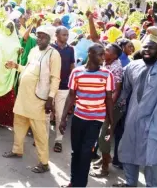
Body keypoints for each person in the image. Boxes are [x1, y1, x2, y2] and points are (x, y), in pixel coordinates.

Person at [113, 12, 157, 187]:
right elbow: (126, 90)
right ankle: (130, 183)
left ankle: (152, 186)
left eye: (151, 48)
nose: (147, 50)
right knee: (129, 150)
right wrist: (118, 108)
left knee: (152, 156)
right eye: (145, 47)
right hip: (133, 117)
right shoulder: (132, 66)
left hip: (155, 120)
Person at [3, 25, 61, 174]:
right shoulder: (34, 51)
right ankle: (17, 150)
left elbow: (55, 79)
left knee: (39, 132)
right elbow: (27, 69)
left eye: (43, 37)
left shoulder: (54, 54)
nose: (39, 39)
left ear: (49, 39)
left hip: (38, 99)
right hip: (24, 96)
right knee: (19, 123)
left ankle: (44, 162)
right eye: (38, 36)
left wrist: (50, 98)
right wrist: (15, 66)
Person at [59, 44, 115, 187]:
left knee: (85, 154)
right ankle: (73, 181)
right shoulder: (77, 72)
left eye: (104, 54)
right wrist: (63, 118)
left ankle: (80, 185)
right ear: (90, 54)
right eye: (100, 54)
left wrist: (110, 123)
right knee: (75, 152)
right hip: (78, 118)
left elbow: (109, 98)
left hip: (95, 120)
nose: (103, 58)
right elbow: (71, 96)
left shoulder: (107, 74)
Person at [91, 43, 123, 177]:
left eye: (108, 50)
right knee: (103, 135)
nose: (105, 51)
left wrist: (107, 111)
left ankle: (105, 168)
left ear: (114, 55)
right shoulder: (106, 63)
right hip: (105, 105)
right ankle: (105, 157)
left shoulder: (116, 68)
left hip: (113, 107)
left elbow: (116, 91)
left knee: (104, 136)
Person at [48, 26, 75, 153]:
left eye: (67, 34)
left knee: (60, 114)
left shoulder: (70, 49)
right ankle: (42, 138)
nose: (66, 37)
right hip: (49, 86)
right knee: (46, 114)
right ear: (57, 35)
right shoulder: (50, 48)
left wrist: (72, 84)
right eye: (64, 34)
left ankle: (58, 140)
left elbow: (72, 66)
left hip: (64, 87)